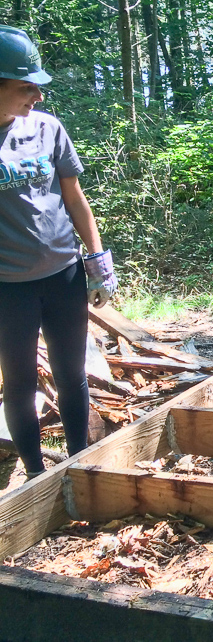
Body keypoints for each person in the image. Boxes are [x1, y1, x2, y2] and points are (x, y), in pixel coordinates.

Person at [0, 26, 118, 479]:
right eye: (26, 86)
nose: (38, 97)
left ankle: (77, 462)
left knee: (72, 376)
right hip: (10, 288)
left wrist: (98, 260)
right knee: (20, 386)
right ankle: (34, 474)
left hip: (64, 275)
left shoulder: (47, 128)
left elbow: (74, 197)